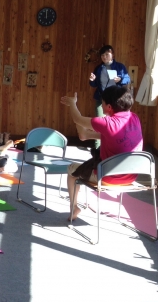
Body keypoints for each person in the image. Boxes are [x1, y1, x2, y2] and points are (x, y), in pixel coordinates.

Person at [60, 86, 142, 221]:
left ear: (108, 107)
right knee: (87, 150)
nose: (101, 104)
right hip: (131, 177)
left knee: (71, 170)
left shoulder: (107, 123)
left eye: (102, 102)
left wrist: (73, 104)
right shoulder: (134, 118)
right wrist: (84, 132)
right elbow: (88, 135)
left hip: (108, 178)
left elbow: (78, 119)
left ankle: (74, 207)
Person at [89, 45, 130, 148]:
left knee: (115, 123)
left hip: (116, 99)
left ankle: (113, 146)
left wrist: (120, 80)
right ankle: (98, 148)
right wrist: (92, 80)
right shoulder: (99, 68)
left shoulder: (120, 66)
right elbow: (94, 84)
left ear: (113, 55)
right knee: (99, 123)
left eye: (107, 54)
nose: (104, 57)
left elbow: (127, 79)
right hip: (101, 98)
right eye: (102, 55)